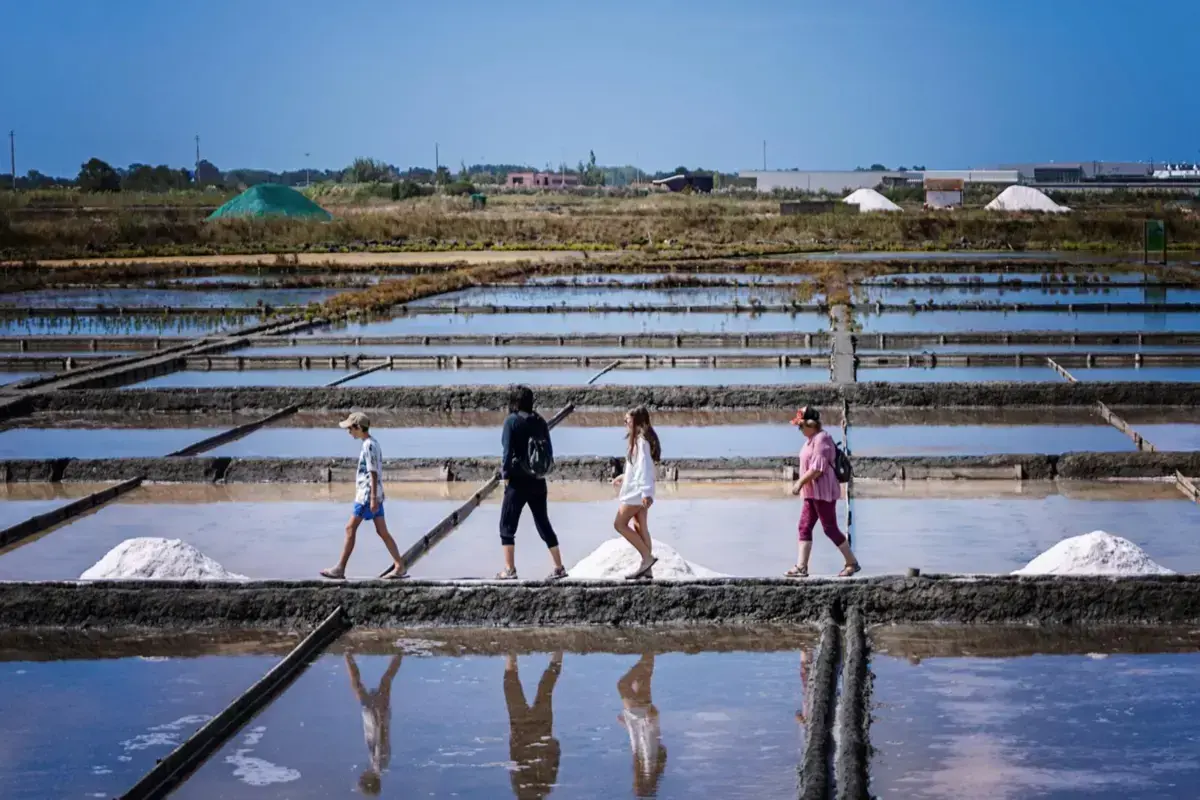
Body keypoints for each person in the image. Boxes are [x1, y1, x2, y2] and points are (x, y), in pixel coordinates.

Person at [321, 412, 407, 580]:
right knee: (382, 531)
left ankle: (340, 568)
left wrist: (373, 498)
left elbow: (373, 472)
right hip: (374, 494)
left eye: (350, 428)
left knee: (350, 528)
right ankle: (399, 566)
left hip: (367, 496)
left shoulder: (368, 445)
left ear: (358, 428)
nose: (349, 432)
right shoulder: (373, 443)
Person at [498, 385, 567, 581]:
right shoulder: (540, 421)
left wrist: (505, 476)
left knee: (507, 526)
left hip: (518, 483)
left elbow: (506, 453)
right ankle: (559, 567)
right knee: (543, 523)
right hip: (538, 481)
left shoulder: (511, 422)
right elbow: (549, 452)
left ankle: (509, 570)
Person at [787, 406, 861, 578]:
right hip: (811, 493)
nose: (799, 429)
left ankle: (852, 563)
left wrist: (799, 482)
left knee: (830, 528)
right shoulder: (810, 440)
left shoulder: (822, 439)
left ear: (810, 424)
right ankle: (801, 567)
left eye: (801, 426)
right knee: (804, 526)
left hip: (823, 493)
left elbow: (817, 469)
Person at [504, 652, 563, 800]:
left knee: (545, 689)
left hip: (536, 731)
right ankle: (511, 649)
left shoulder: (545, 788)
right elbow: (515, 758)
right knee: (512, 686)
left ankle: (559, 650)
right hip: (524, 730)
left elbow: (554, 758)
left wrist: (552, 743)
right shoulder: (523, 789)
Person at [612, 406, 660, 580]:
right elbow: (636, 468)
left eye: (628, 421)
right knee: (640, 525)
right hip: (639, 489)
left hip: (637, 492)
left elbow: (644, 468)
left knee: (619, 524)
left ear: (638, 422)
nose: (625, 423)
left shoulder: (641, 442)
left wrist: (646, 493)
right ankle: (647, 569)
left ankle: (647, 557)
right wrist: (623, 476)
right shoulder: (639, 441)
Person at [345, 653, 401, 796]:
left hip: (374, 718)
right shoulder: (379, 764)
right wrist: (380, 718)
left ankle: (348, 654)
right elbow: (382, 739)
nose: (361, 776)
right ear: (370, 782)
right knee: (384, 682)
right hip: (376, 717)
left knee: (365, 685)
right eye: (362, 781)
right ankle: (399, 652)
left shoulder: (378, 766)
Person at [617, 653, 667, 797]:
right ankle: (648, 650)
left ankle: (649, 647)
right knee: (623, 685)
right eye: (636, 787)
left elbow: (638, 740)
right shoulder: (648, 766)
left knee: (643, 679)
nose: (634, 786)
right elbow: (648, 742)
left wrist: (627, 726)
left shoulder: (643, 768)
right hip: (641, 715)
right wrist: (650, 719)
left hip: (638, 717)